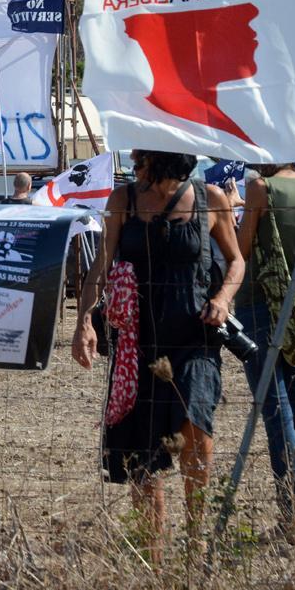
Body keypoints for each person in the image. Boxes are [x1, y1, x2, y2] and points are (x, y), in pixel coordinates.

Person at [72, 149, 244, 555]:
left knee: (194, 425)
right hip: (137, 342)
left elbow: (236, 261)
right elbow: (100, 267)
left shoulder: (210, 198)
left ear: (164, 158)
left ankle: (196, 540)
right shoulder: (124, 200)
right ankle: (152, 552)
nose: (133, 164)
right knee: (143, 449)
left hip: (195, 337)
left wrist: (223, 298)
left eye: (141, 158)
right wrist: (83, 322)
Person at [235, 163, 295, 522]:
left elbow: (241, 249)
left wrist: (234, 209)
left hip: (259, 301)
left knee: (275, 405)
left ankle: (291, 505)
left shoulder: (261, 188)